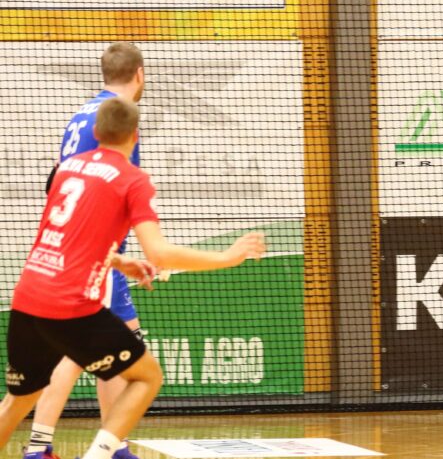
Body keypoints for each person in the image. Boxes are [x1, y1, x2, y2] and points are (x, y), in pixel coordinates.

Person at [0, 98, 267, 459]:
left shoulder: (67, 167)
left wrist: (118, 261)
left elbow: (63, 236)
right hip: (71, 305)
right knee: (147, 377)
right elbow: (159, 254)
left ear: (97, 132)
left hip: (29, 296)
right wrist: (226, 256)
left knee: (17, 401)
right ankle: (101, 455)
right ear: (135, 136)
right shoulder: (132, 179)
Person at [25, 42, 147, 459]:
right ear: (140, 73)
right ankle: (46, 446)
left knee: (114, 350)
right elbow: (119, 188)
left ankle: (110, 445)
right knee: (94, 353)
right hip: (96, 255)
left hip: (77, 250)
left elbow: (58, 182)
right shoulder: (120, 117)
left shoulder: (80, 115)